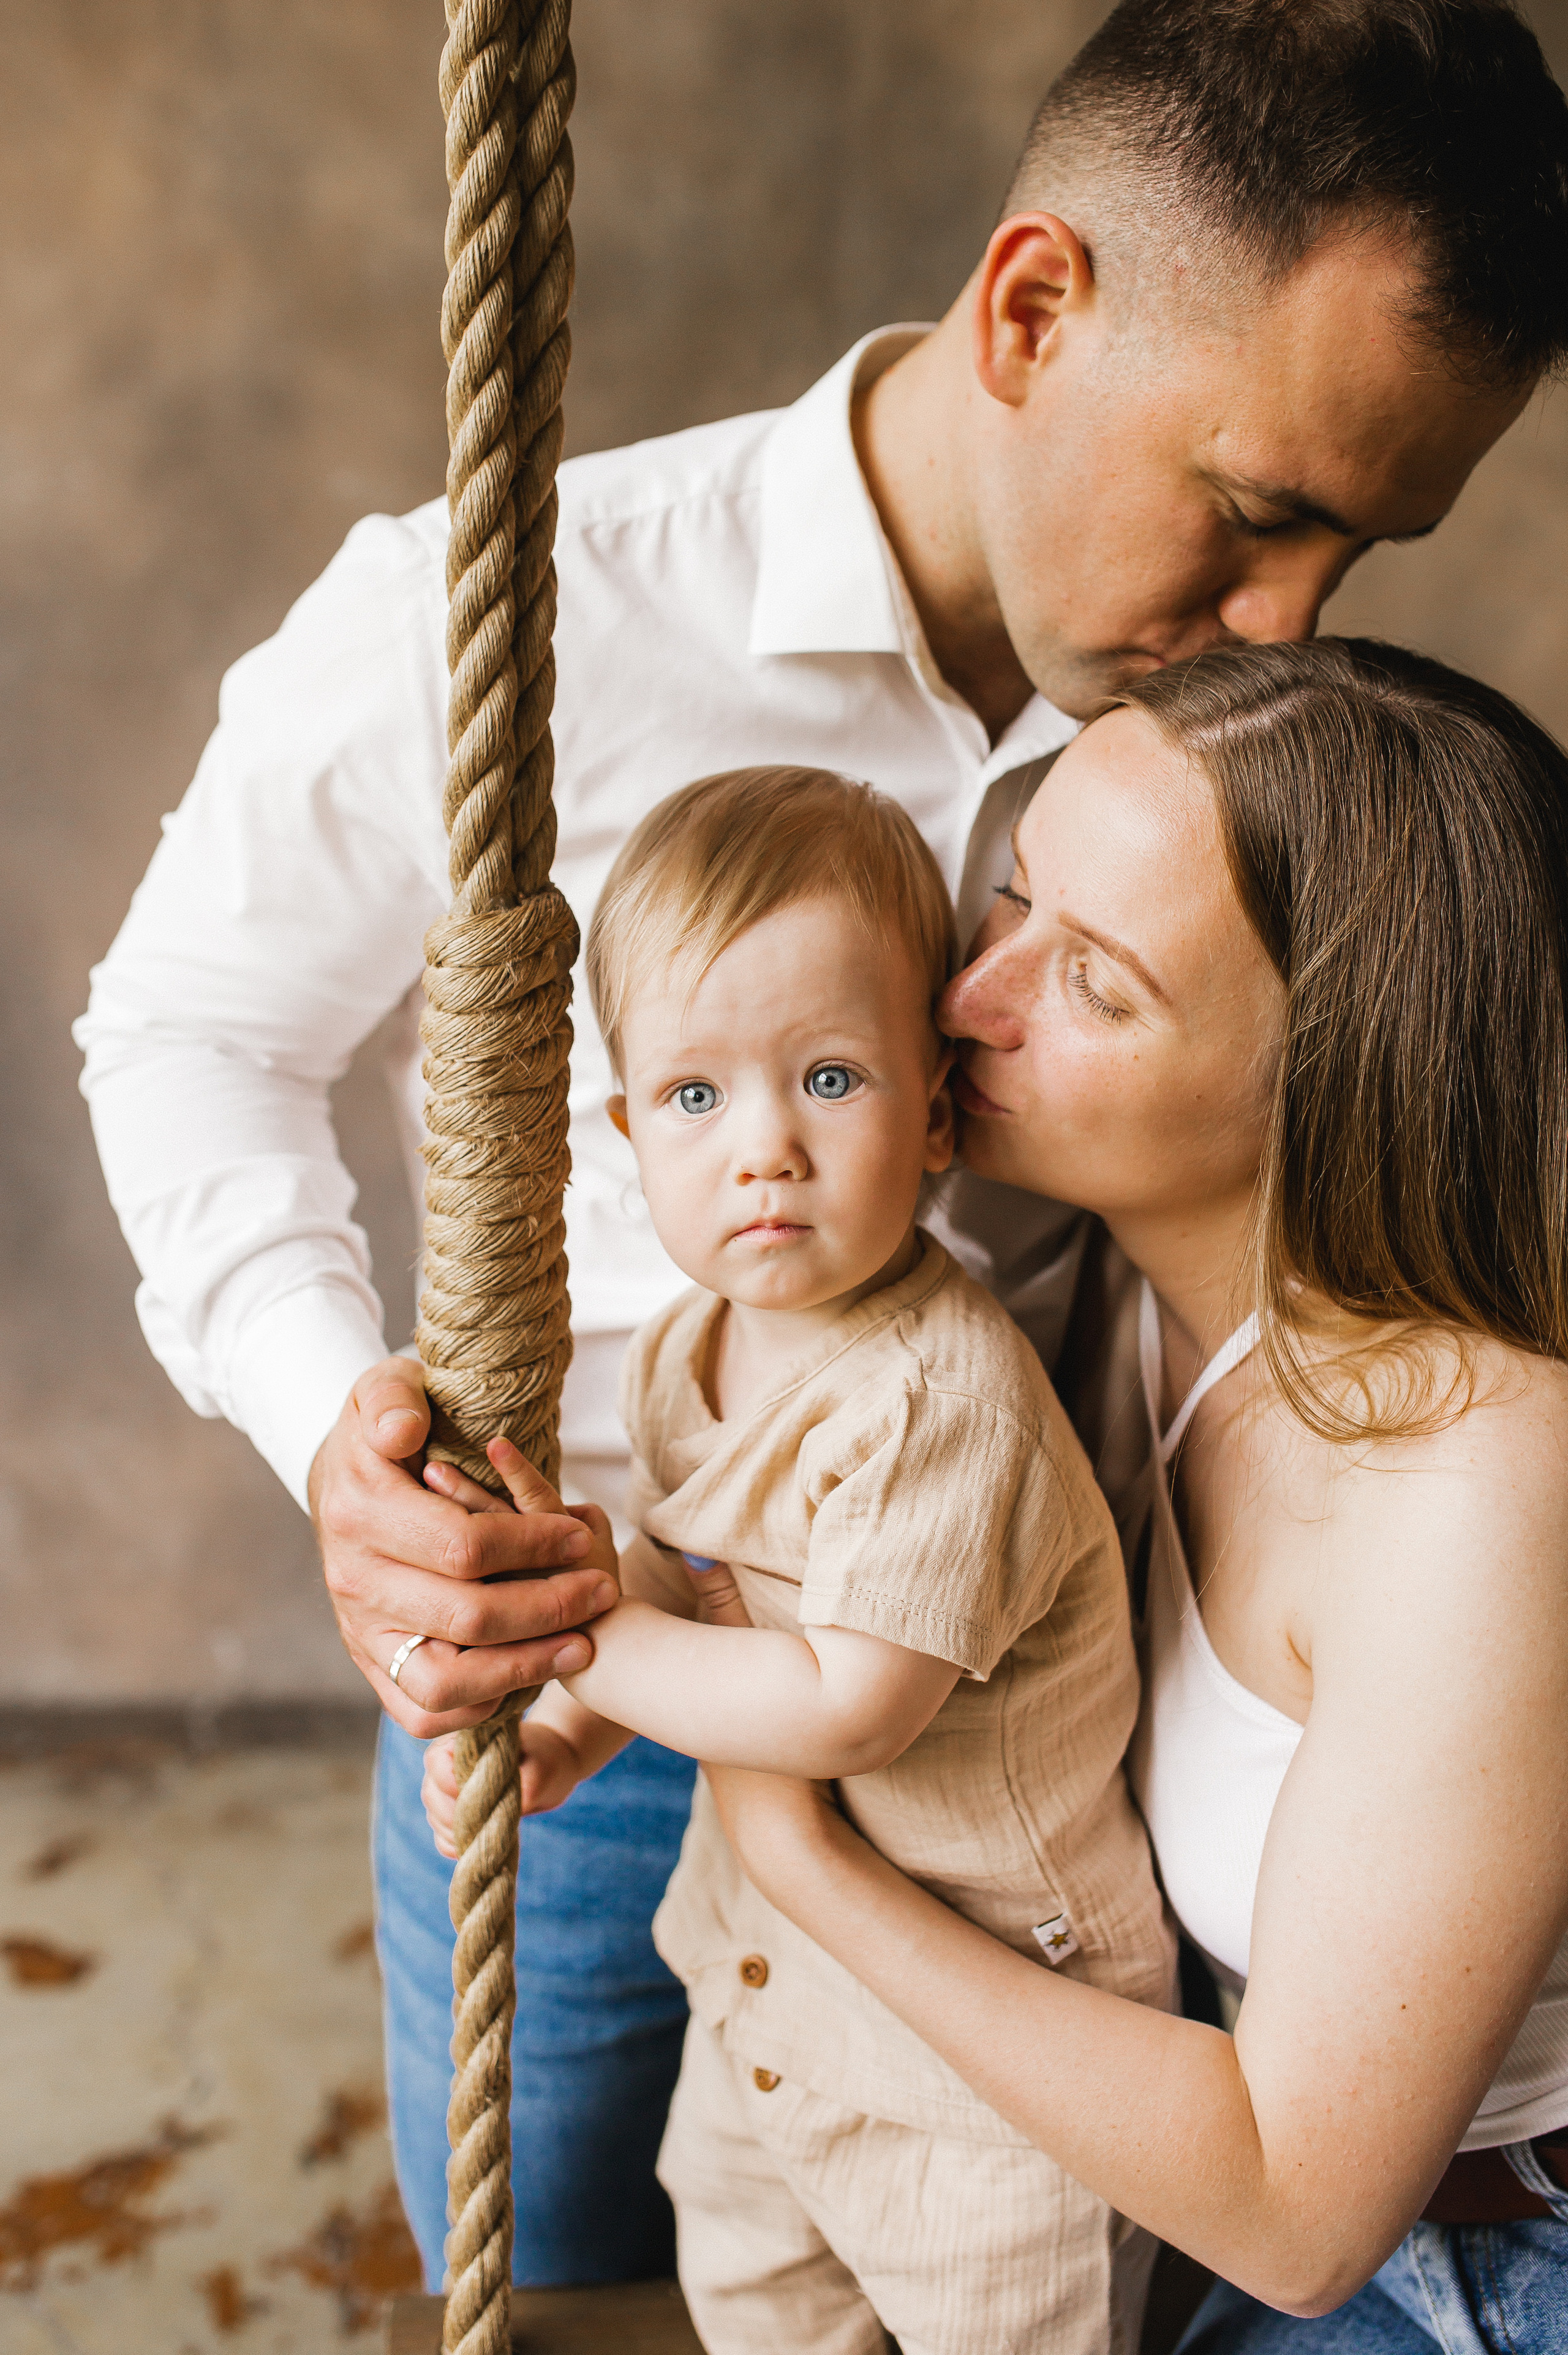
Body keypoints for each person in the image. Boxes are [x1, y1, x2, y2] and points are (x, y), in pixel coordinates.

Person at [75, 0, 1568, 2289]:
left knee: (999, 2267)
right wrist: (334, 1437)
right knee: (575, 2248)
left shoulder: (1217, 775)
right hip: (595, 1630)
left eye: (1359, 550)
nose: (1281, 631)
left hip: (1060, 1689)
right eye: (1258, 513)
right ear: (1033, 306)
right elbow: (185, 1028)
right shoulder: (495, 620)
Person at [696, 637, 1568, 2351]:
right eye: (1013, 898)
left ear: (1330, 1077)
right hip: (1183, 2165)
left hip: (1479, 2265)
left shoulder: (1482, 1479)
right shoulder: (1075, 1290)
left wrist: (798, 1854)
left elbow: (1304, 2211)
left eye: (1095, 983)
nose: (967, 996)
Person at [421, 765, 1174, 2354]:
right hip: (775, 1986)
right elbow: (695, 1586)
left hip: (995, 2046)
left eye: (828, 1077)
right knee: (753, 2286)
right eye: (698, 1096)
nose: (762, 1146)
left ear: (935, 1105)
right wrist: (571, 1720)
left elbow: (844, 1704)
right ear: (630, 1132)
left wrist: (567, 1641)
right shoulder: (693, 1348)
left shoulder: (938, 1400)